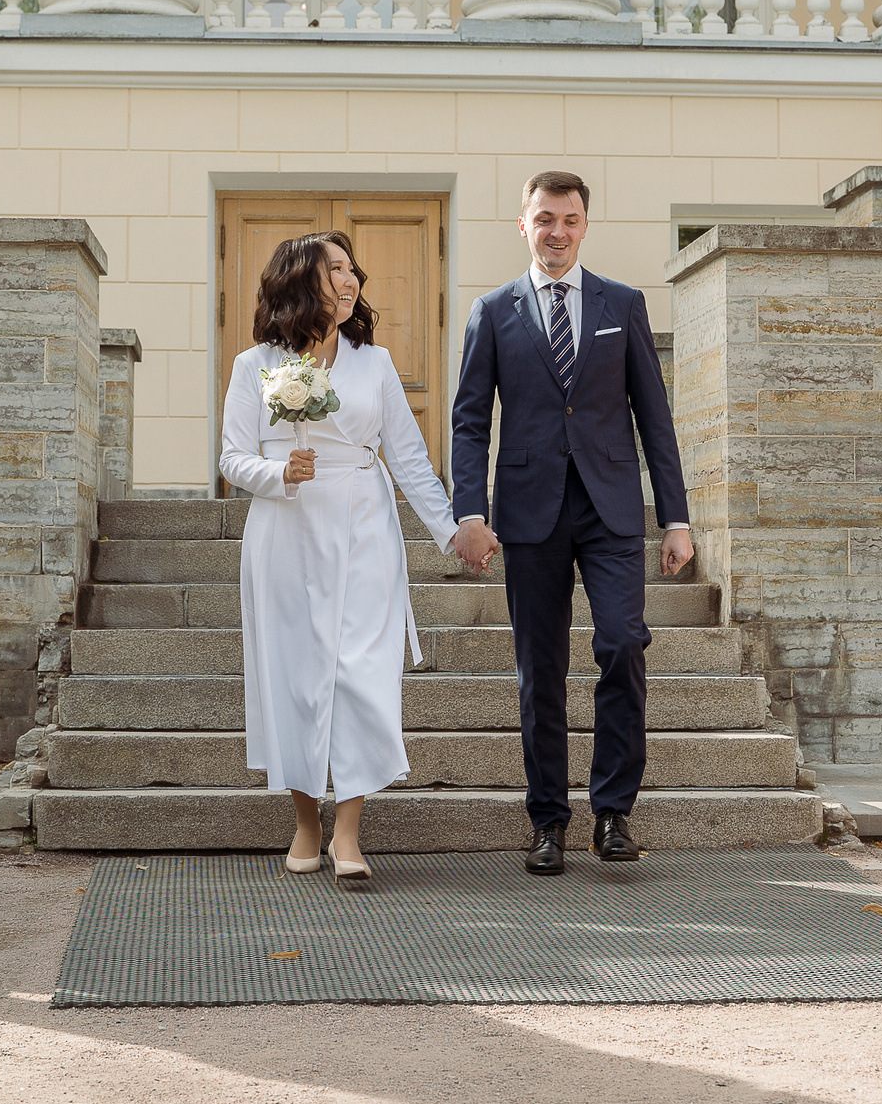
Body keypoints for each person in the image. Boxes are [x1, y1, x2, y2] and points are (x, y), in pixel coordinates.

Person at [446, 172, 692, 877]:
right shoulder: (492, 312)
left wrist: (674, 519)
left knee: (621, 642)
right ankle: (548, 820)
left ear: (586, 225)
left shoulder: (623, 304)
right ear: (523, 224)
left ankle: (613, 811)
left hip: (610, 506)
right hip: (529, 510)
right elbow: (469, 421)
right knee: (540, 671)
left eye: (571, 219)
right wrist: (470, 513)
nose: (558, 231)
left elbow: (655, 418)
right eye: (545, 218)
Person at [219, 232, 465, 884]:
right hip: (287, 530)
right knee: (297, 674)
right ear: (302, 279)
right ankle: (305, 824)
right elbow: (232, 455)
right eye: (334, 268)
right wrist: (278, 471)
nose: (350, 277)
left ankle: (349, 833)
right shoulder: (255, 365)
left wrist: (450, 532)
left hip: (363, 527)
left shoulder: (374, 362)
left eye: (352, 267)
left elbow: (408, 456)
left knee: (362, 673)